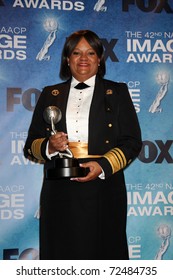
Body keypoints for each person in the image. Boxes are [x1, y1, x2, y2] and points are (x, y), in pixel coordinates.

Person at [24, 30, 142, 260]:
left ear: (99, 59)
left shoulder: (117, 92)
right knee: (62, 253)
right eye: (76, 53)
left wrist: (102, 166)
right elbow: (30, 145)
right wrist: (50, 146)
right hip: (60, 189)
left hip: (104, 187)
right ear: (67, 60)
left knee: (104, 253)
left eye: (91, 52)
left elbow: (132, 141)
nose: (83, 58)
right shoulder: (50, 94)